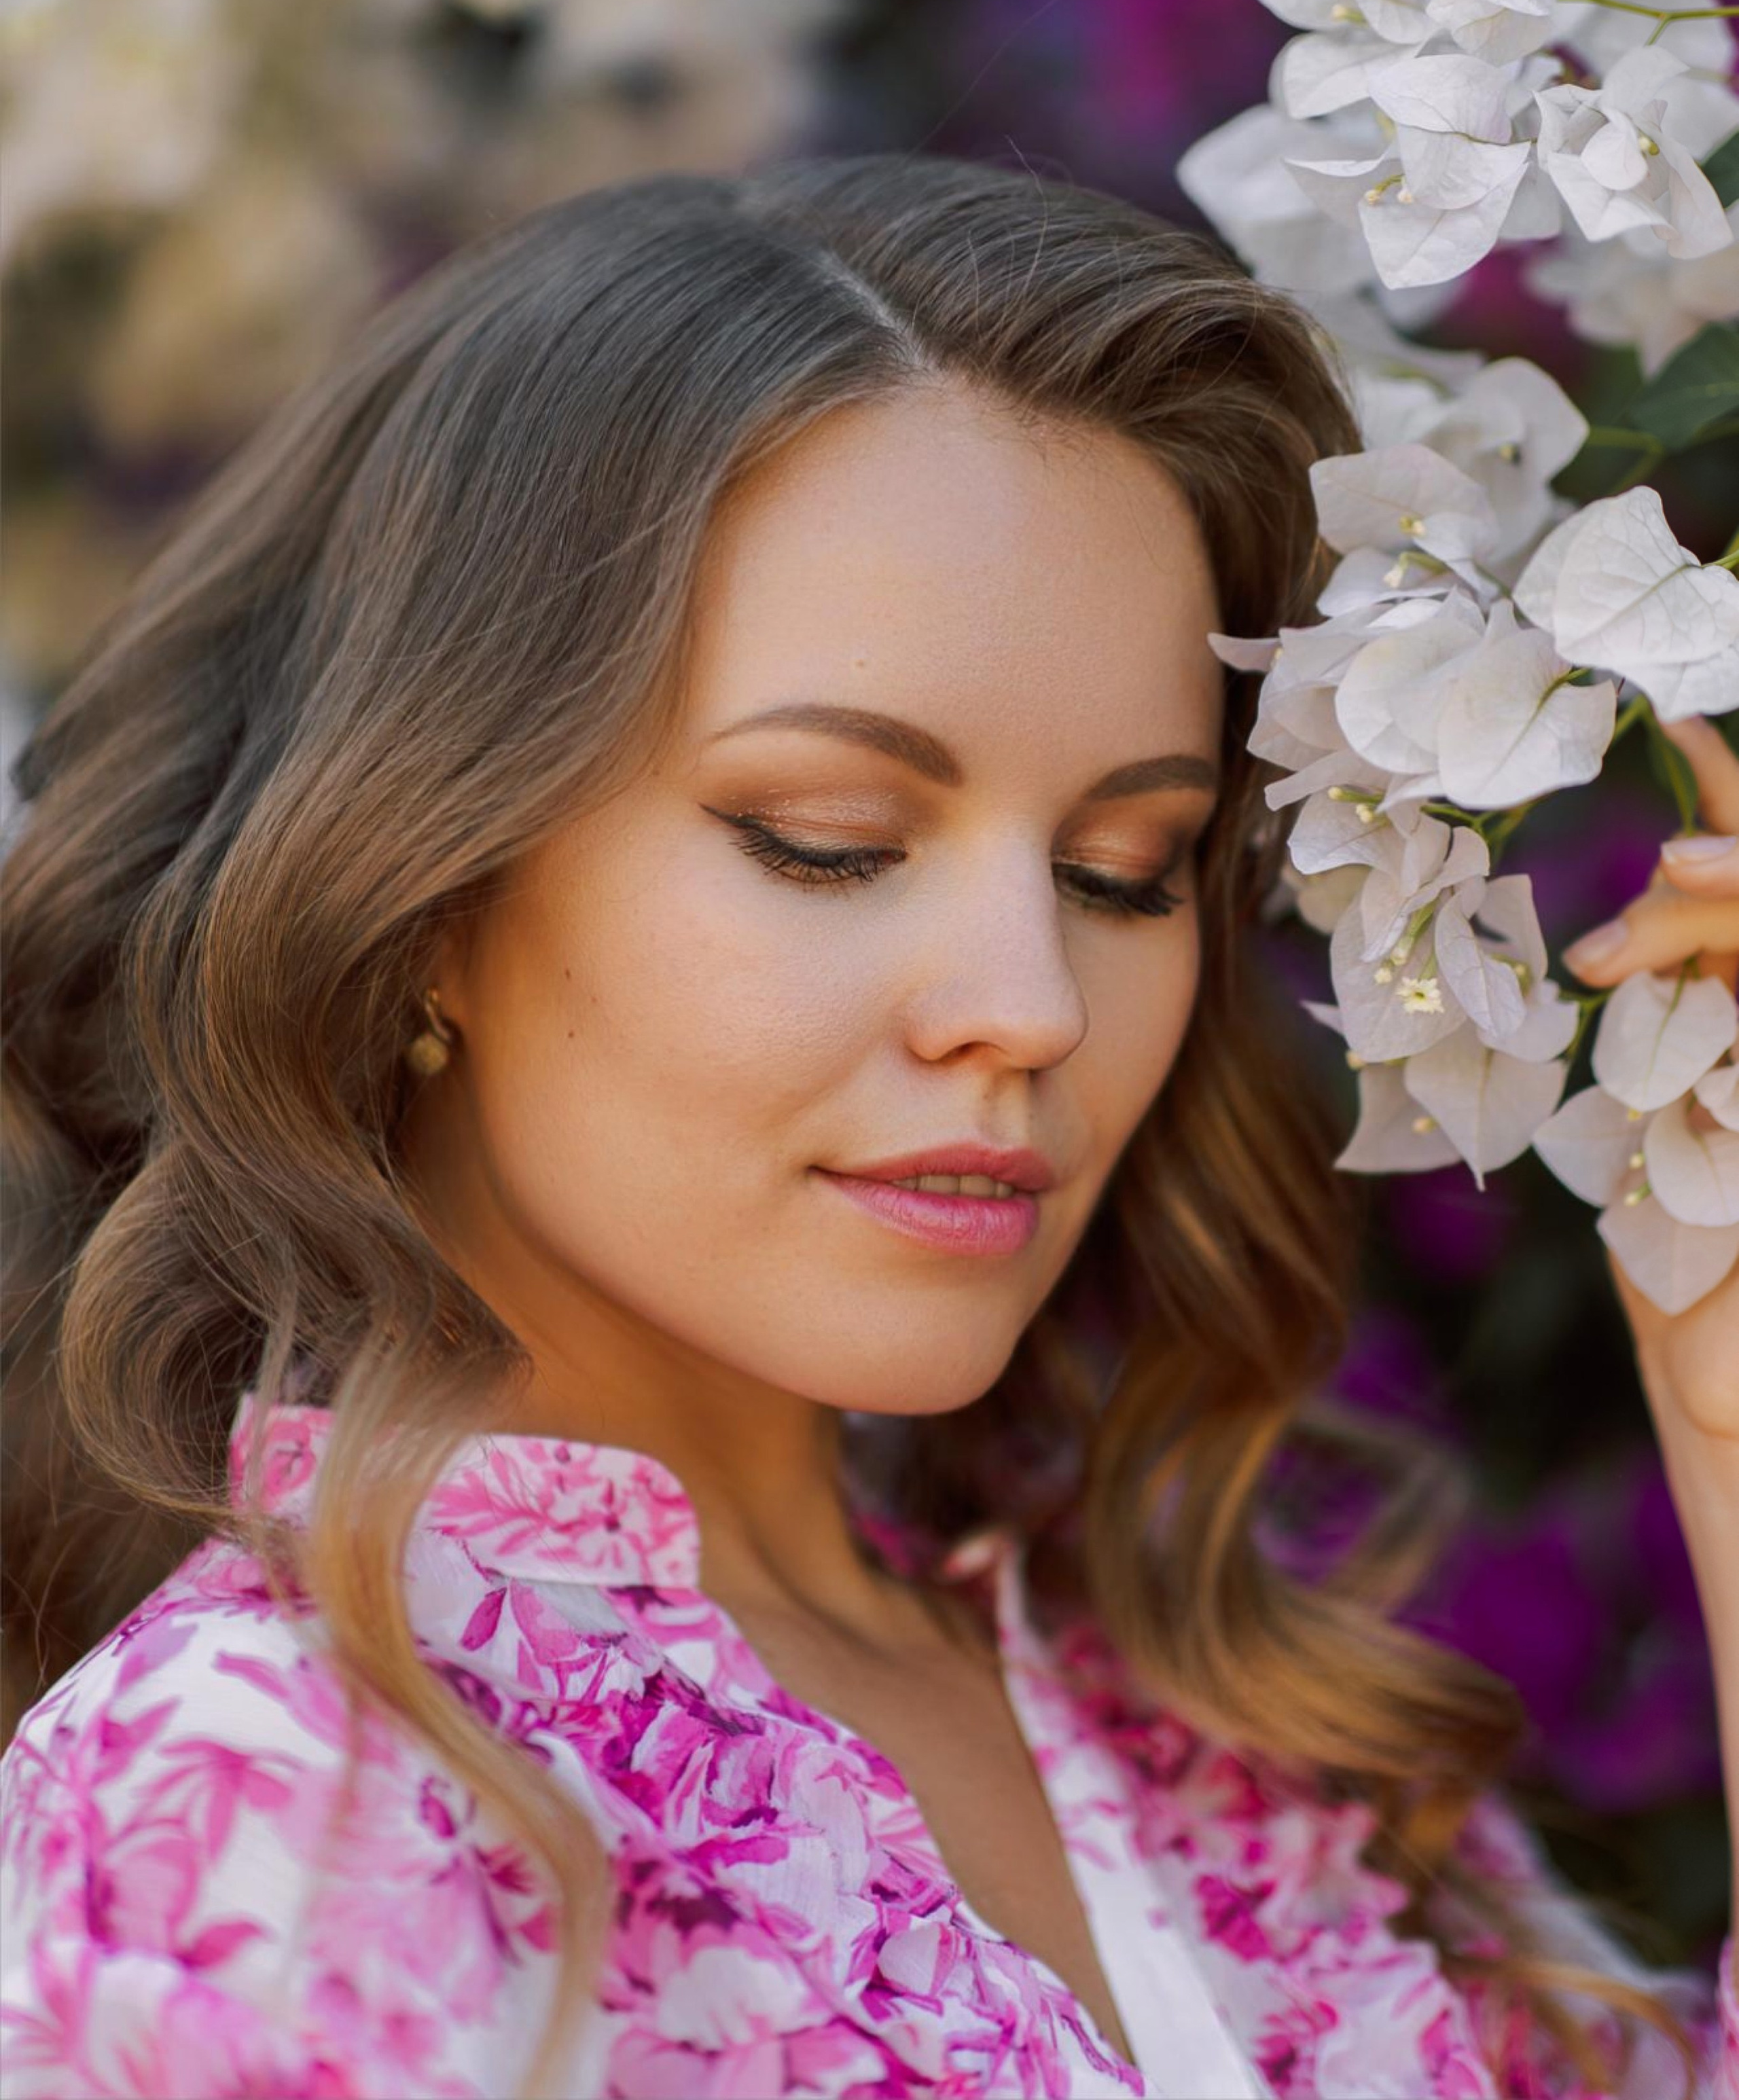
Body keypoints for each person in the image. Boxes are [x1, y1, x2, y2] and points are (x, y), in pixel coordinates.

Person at [1, 157, 1734, 2100]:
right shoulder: (271, 1799)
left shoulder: (1226, 1737)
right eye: (829, 842)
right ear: (425, 896)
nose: (1033, 1004)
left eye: (1126, 869)